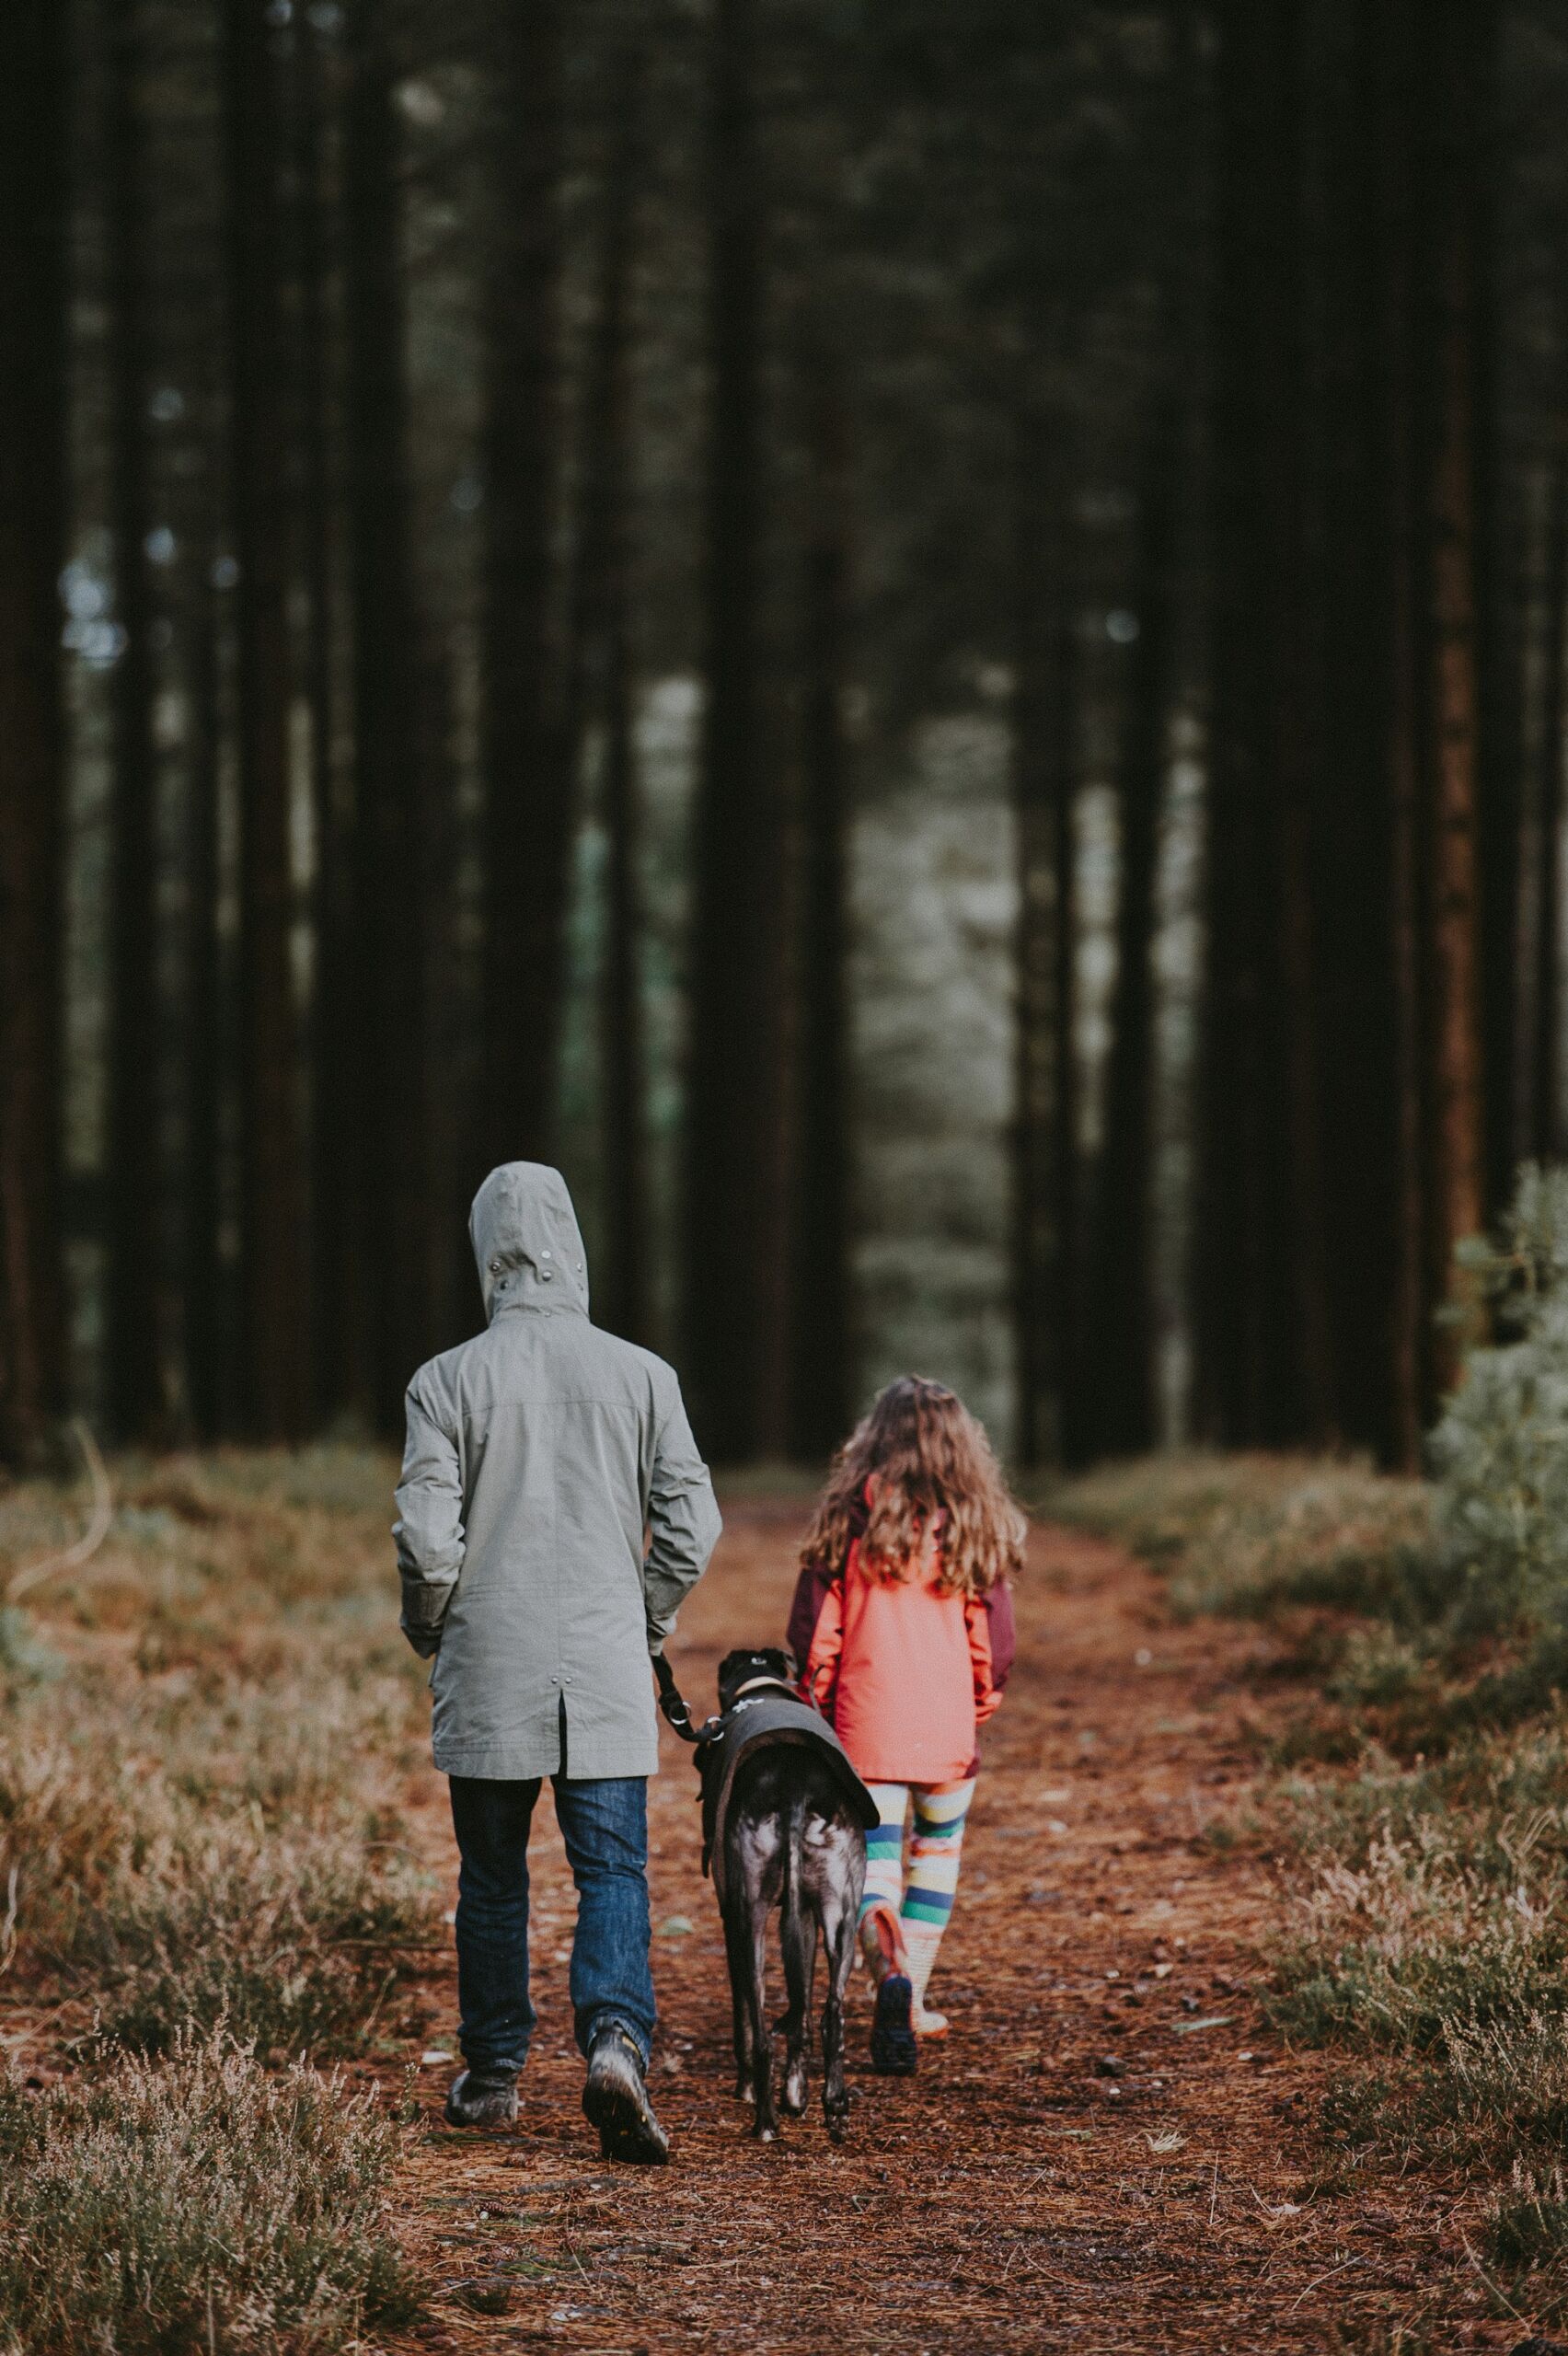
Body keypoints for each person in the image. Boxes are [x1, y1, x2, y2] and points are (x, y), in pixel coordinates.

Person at [394, 1162, 721, 2164]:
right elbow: (691, 1525)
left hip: (488, 1662)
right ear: (573, 1244)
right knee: (613, 1869)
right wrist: (646, 1619)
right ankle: (617, 2042)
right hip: (607, 1662)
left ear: (486, 1251)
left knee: (492, 1880)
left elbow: (426, 1540)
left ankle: (492, 2077)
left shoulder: (446, 1379)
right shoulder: (643, 1374)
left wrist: (431, 1625)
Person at [786, 1377, 1023, 2072]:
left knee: (875, 1867)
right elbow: (994, 1640)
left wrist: (814, 1702)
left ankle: (887, 1974)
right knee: (937, 1860)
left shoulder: (849, 1523)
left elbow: (815, 1635)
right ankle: (912, 1999)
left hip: (867, 1732)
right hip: (949, 1731)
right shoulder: (973, 1525)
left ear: (874, 1440)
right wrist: (982, 1701)